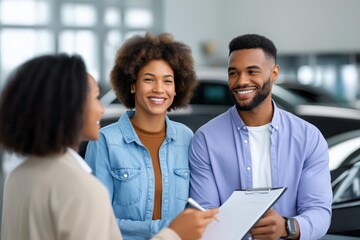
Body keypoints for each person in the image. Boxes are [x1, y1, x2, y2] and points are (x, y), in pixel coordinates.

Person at [0, 54, 218, 240]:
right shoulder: (82, 188)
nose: (102, 110)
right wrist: (172, 232)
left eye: (167, 81)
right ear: (68, 108)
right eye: (95, 99)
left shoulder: (17, 177)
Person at [189, 34, 332, 240]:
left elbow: (319, 211)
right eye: (233, 73)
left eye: (252, 71)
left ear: (274, 73)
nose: (241, 81)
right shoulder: (206, 139)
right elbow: (204, 216)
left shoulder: (308, 137)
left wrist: (287, 226)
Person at [84, 32, 199, 240]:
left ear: (176, 88)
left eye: (167, 81)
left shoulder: (186, 137)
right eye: (148, 79)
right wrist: (167, 228)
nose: (159, 89)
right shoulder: (105, 141)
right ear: (132, 84)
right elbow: (98, 219)